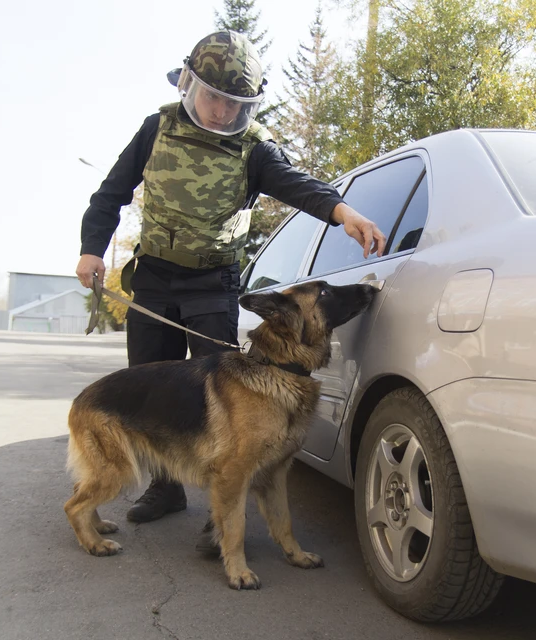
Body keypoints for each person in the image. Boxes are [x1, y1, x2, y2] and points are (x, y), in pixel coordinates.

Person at [75, 30, 386, 528]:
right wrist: (92, 249)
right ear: (190, 85)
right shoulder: (157, 128)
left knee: (221, 399)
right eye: (213, 97)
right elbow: (110, 193)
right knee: (153, 389)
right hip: (153, 275)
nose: (221, 111)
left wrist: (341, 211)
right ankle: (165, 489)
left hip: (211, 281)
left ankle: (221, 509)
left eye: (233, 102)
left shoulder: (253, 148)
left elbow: (296, 184)